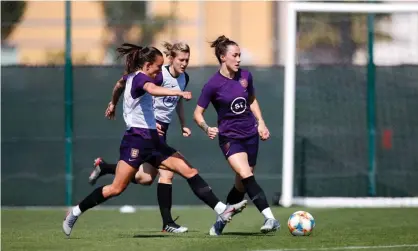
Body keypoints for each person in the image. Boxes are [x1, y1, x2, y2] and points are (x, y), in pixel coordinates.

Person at [62, 43, 247, 237]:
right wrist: (177, 92)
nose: (161, 71)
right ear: (148, 65)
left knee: (189, 171)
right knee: (116, 188)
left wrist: (114, 103)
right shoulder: (141, 78)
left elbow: (118, 85)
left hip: (154, 142)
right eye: (158, 67)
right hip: (135, 141)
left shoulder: (143, 75)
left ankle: (221, 209)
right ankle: (75, 213)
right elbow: (151, 88)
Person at [88, 42, 192, 233]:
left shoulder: (182, 78)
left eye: (187, 59)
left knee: (144, 179)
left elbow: (176, 103)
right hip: (143, 133)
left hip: (153, 133)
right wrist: (113, 102)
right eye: (181, 59)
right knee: (172, 173)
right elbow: (129, 84)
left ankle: (105, 167)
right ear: (170, 59)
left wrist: (184, 123)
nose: (185, 63)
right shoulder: (148, 76)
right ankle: (169, 222)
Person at [193, 35, 280, 235]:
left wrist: (261, 123)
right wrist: (206, 128)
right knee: (246, 175)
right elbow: (197, 114)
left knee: (241, 184)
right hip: (230, 138)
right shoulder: (213, 84)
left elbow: (251, 100)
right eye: (235, 55)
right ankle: (270, 218)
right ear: (223, 57)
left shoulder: (245, 77)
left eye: (240, 55)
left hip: (251, 135)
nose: (239, 59)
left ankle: (222, 220)